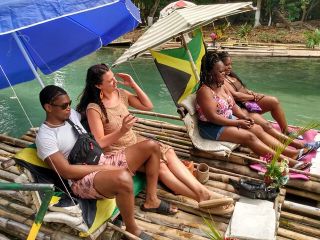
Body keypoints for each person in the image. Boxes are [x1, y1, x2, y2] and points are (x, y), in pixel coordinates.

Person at [76, 63, 234, 213]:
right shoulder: (94, 108)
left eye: (114, 77)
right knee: (161, 166)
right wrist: (122, 130)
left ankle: (203, 194)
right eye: (110, 81)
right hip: (118, 152)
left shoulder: (121, 94)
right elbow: (101, 142)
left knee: (169, 152)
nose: (115, 81)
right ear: (98, 85)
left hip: (135, 141)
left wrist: (133, 85)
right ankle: (202, 197)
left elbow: (147, 106)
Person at [35, 85, 178, 240]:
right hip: (81, 180)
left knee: (151, 146)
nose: (68, 108)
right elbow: (66, 171)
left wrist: (104, 92)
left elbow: (90, 110)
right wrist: (103, 167)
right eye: (64, 106)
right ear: (48, 107)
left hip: (102, 160)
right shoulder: (45, 137)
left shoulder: (71, 116)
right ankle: (132, 230)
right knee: (123, 178)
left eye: (69, 103)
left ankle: (152, 200)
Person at [196, 52, 312, 170]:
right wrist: (238, 122)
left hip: (227, 120)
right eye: (220, 72)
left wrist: (243, 117)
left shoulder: (221, 85)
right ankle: (289, 162)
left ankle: (292, 153)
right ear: (210, 72)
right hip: (211, 127)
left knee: (257, 128)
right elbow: (213, 118)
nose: (224, 74)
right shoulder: (204, 92)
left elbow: (234, 106)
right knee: (249, 137)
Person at [218, 51, 320, 151]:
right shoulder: (222, 80)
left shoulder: (231, 75)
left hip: (249, 102)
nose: (230, 67)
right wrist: (253, 97)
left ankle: (286, 130)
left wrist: (254, 94)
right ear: (221, 66)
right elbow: (236, 96)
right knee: (266, 125)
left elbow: (243, 89)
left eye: (231, 64)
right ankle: (299, 146)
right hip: (242, 108)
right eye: (227, 65)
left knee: (273, 101)